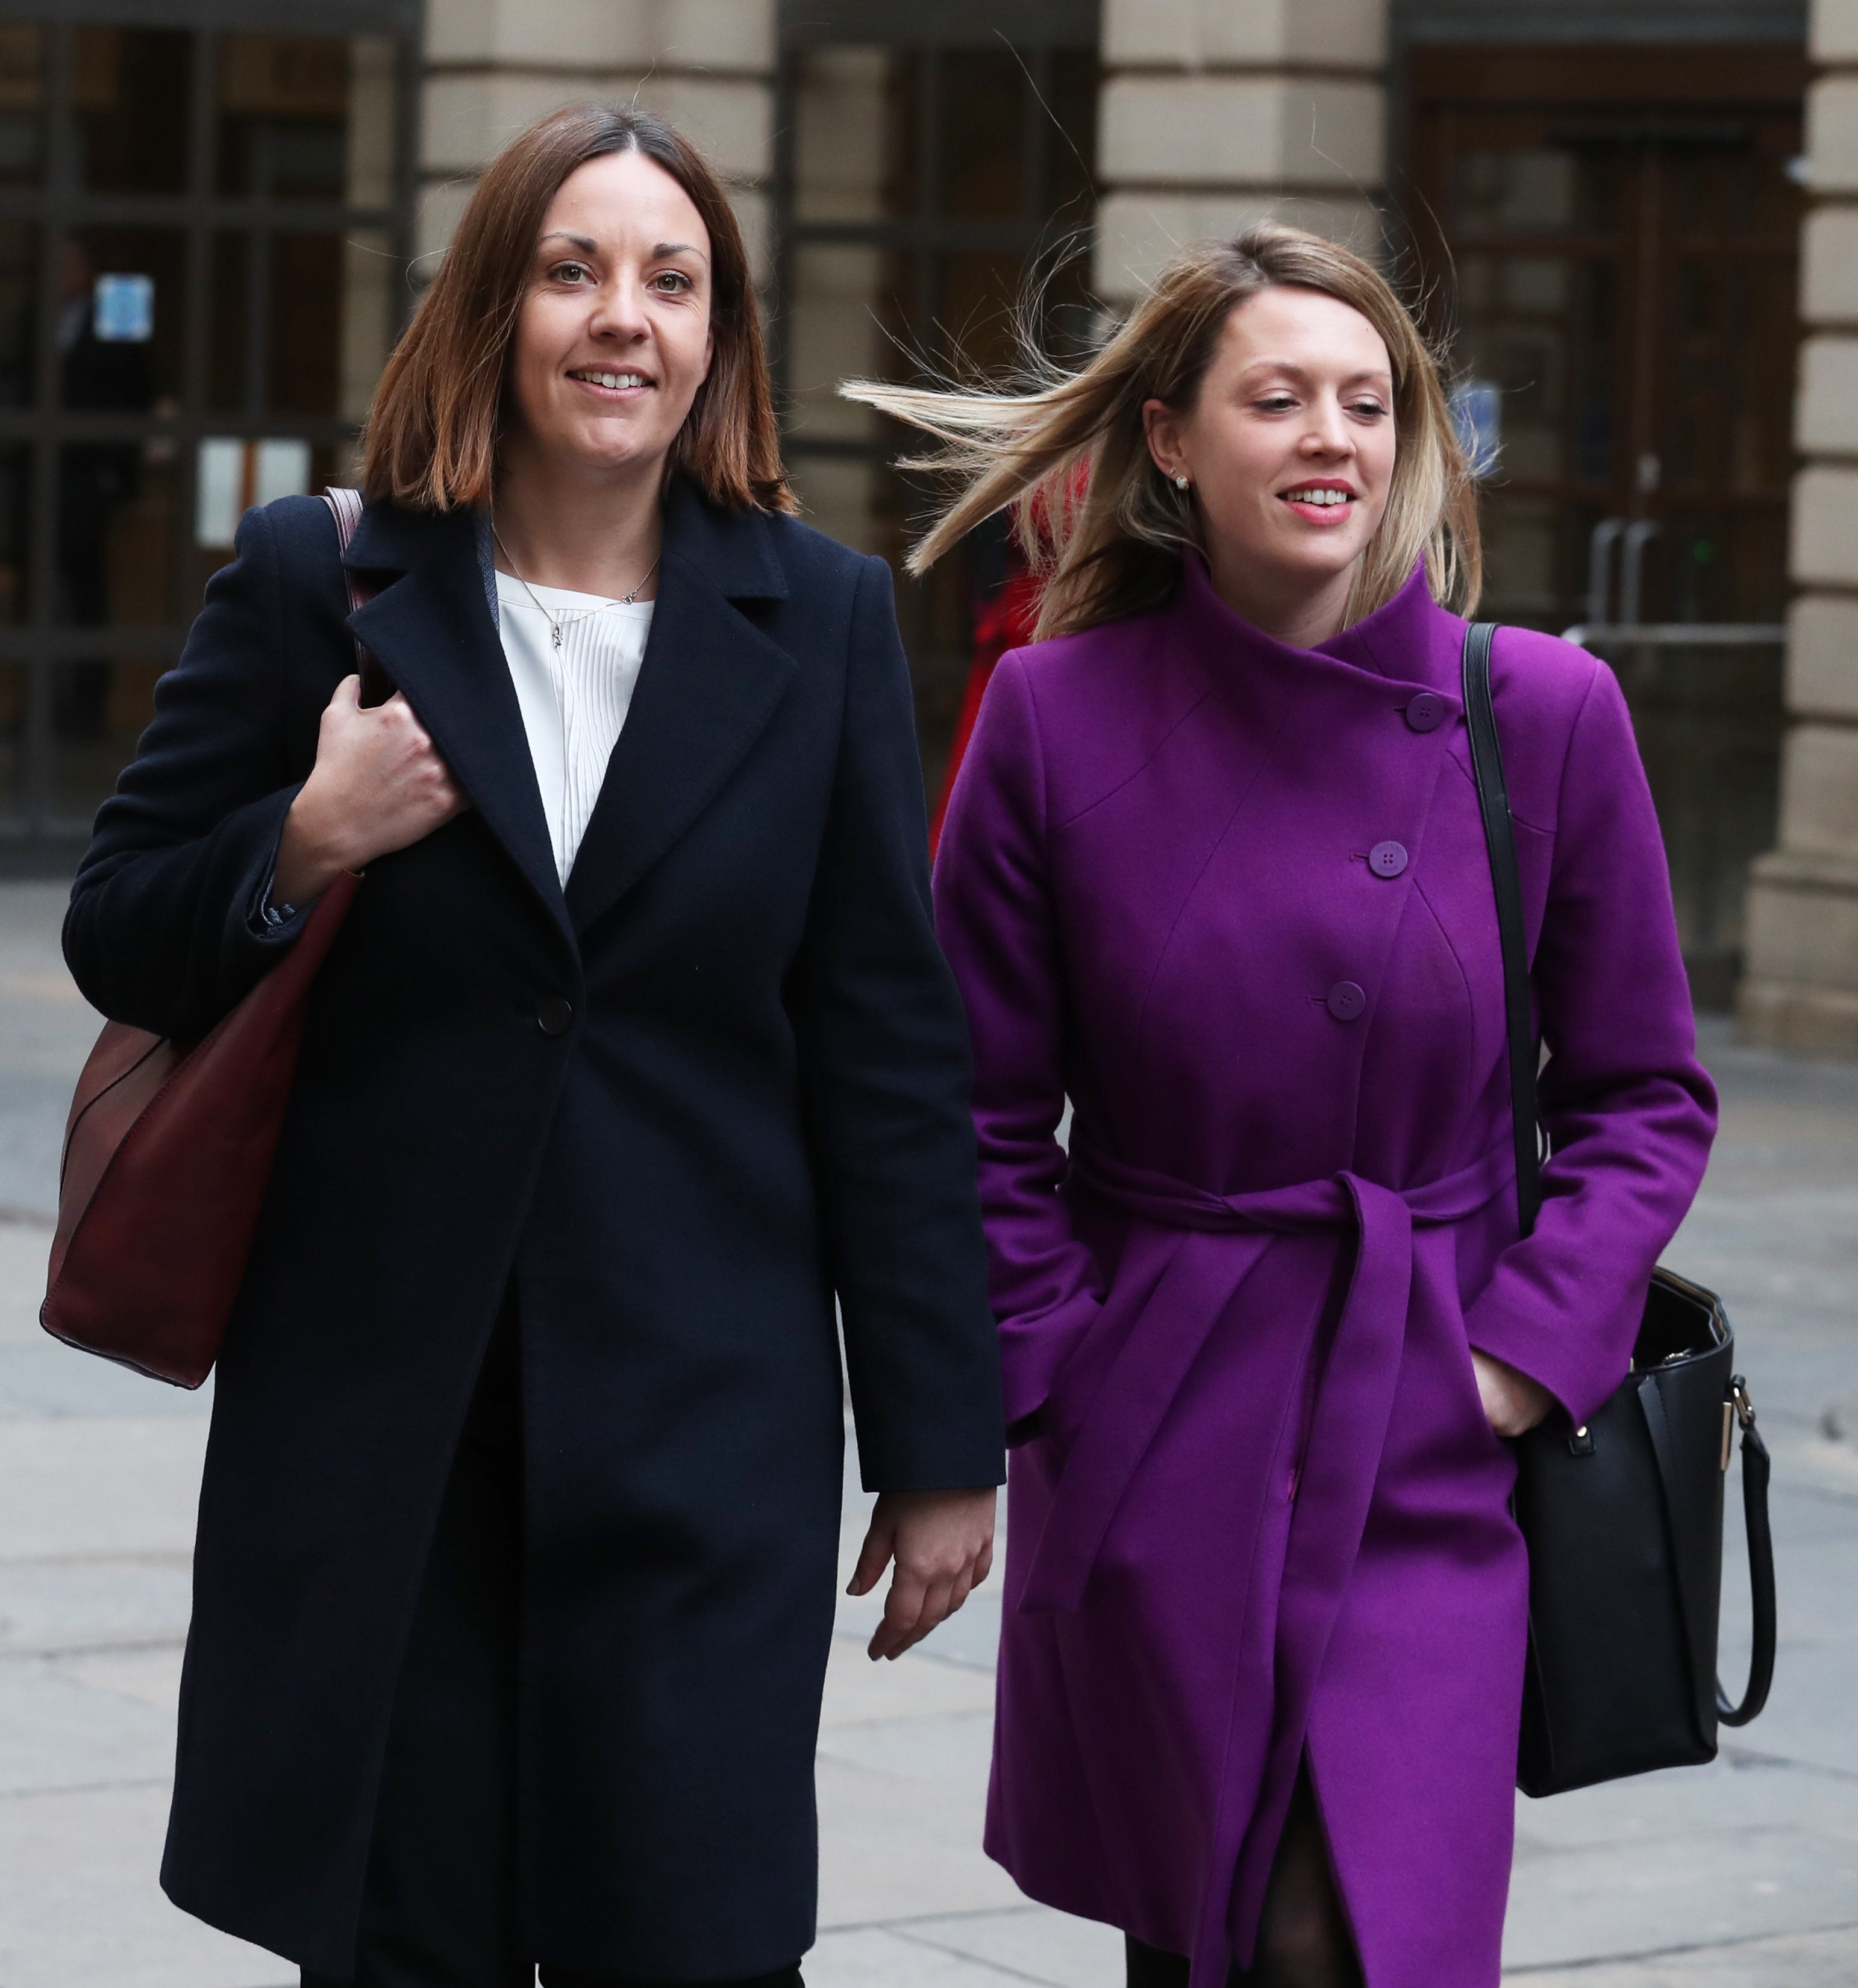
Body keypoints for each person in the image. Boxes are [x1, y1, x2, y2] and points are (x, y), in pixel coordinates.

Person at [62, 105, 1004, 1988]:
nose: (621, 318)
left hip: (699, 1426)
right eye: (572, 269)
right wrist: (302, 838)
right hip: (384, 1423)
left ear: (718, 332)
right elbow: (122, 923)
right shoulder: (318, 580)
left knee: (697, 1937)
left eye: (671, 279)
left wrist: (937, 1439)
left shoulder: (812, 618)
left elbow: (881, 1049)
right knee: (408, 1943)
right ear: (494, 305)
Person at [846, 224, 1717, 1987]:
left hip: (1433, 1423)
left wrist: (1510, 1357)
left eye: (1365, 400)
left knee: (1351, 1928)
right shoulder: (1051, 717)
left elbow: (1643, 1093)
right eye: (1277, 398)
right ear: (1168, 440)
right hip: (1167, 1409)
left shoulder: (1539, 709)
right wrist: (1059, 1371)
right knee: (1203, 1926)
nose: (1331, 435)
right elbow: (970, 1109)